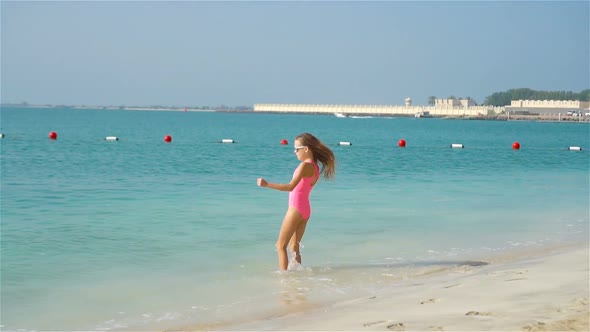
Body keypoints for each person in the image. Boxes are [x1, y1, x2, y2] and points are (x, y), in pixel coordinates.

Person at [257, 133, 336, 271]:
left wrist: (267, 184)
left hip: (295, 209)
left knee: (280, 246)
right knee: (294, 247)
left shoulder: (304, 166)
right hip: (305, 210)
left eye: (297, 149)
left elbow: (290, 187)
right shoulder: (315, 167)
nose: (295, 152)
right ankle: (298, 278)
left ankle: (284, 279)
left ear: (306, 149)